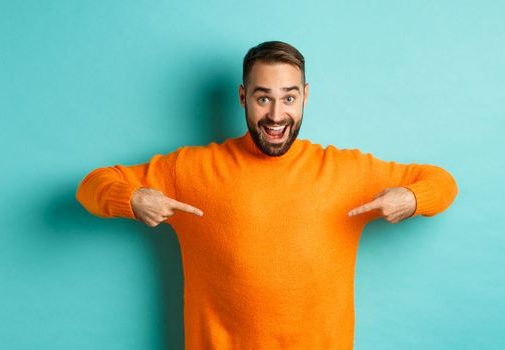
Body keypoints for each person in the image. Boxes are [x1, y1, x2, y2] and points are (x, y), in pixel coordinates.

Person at [76, 40, 459, 349]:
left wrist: (410, 199)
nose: (276, 115)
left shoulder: (345, 170)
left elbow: (442, 182)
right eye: (263, 98)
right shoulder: (190, 169)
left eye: (288, 98)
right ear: (243, 97)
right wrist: (133, 198)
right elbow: (92, 185)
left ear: (305, 96)